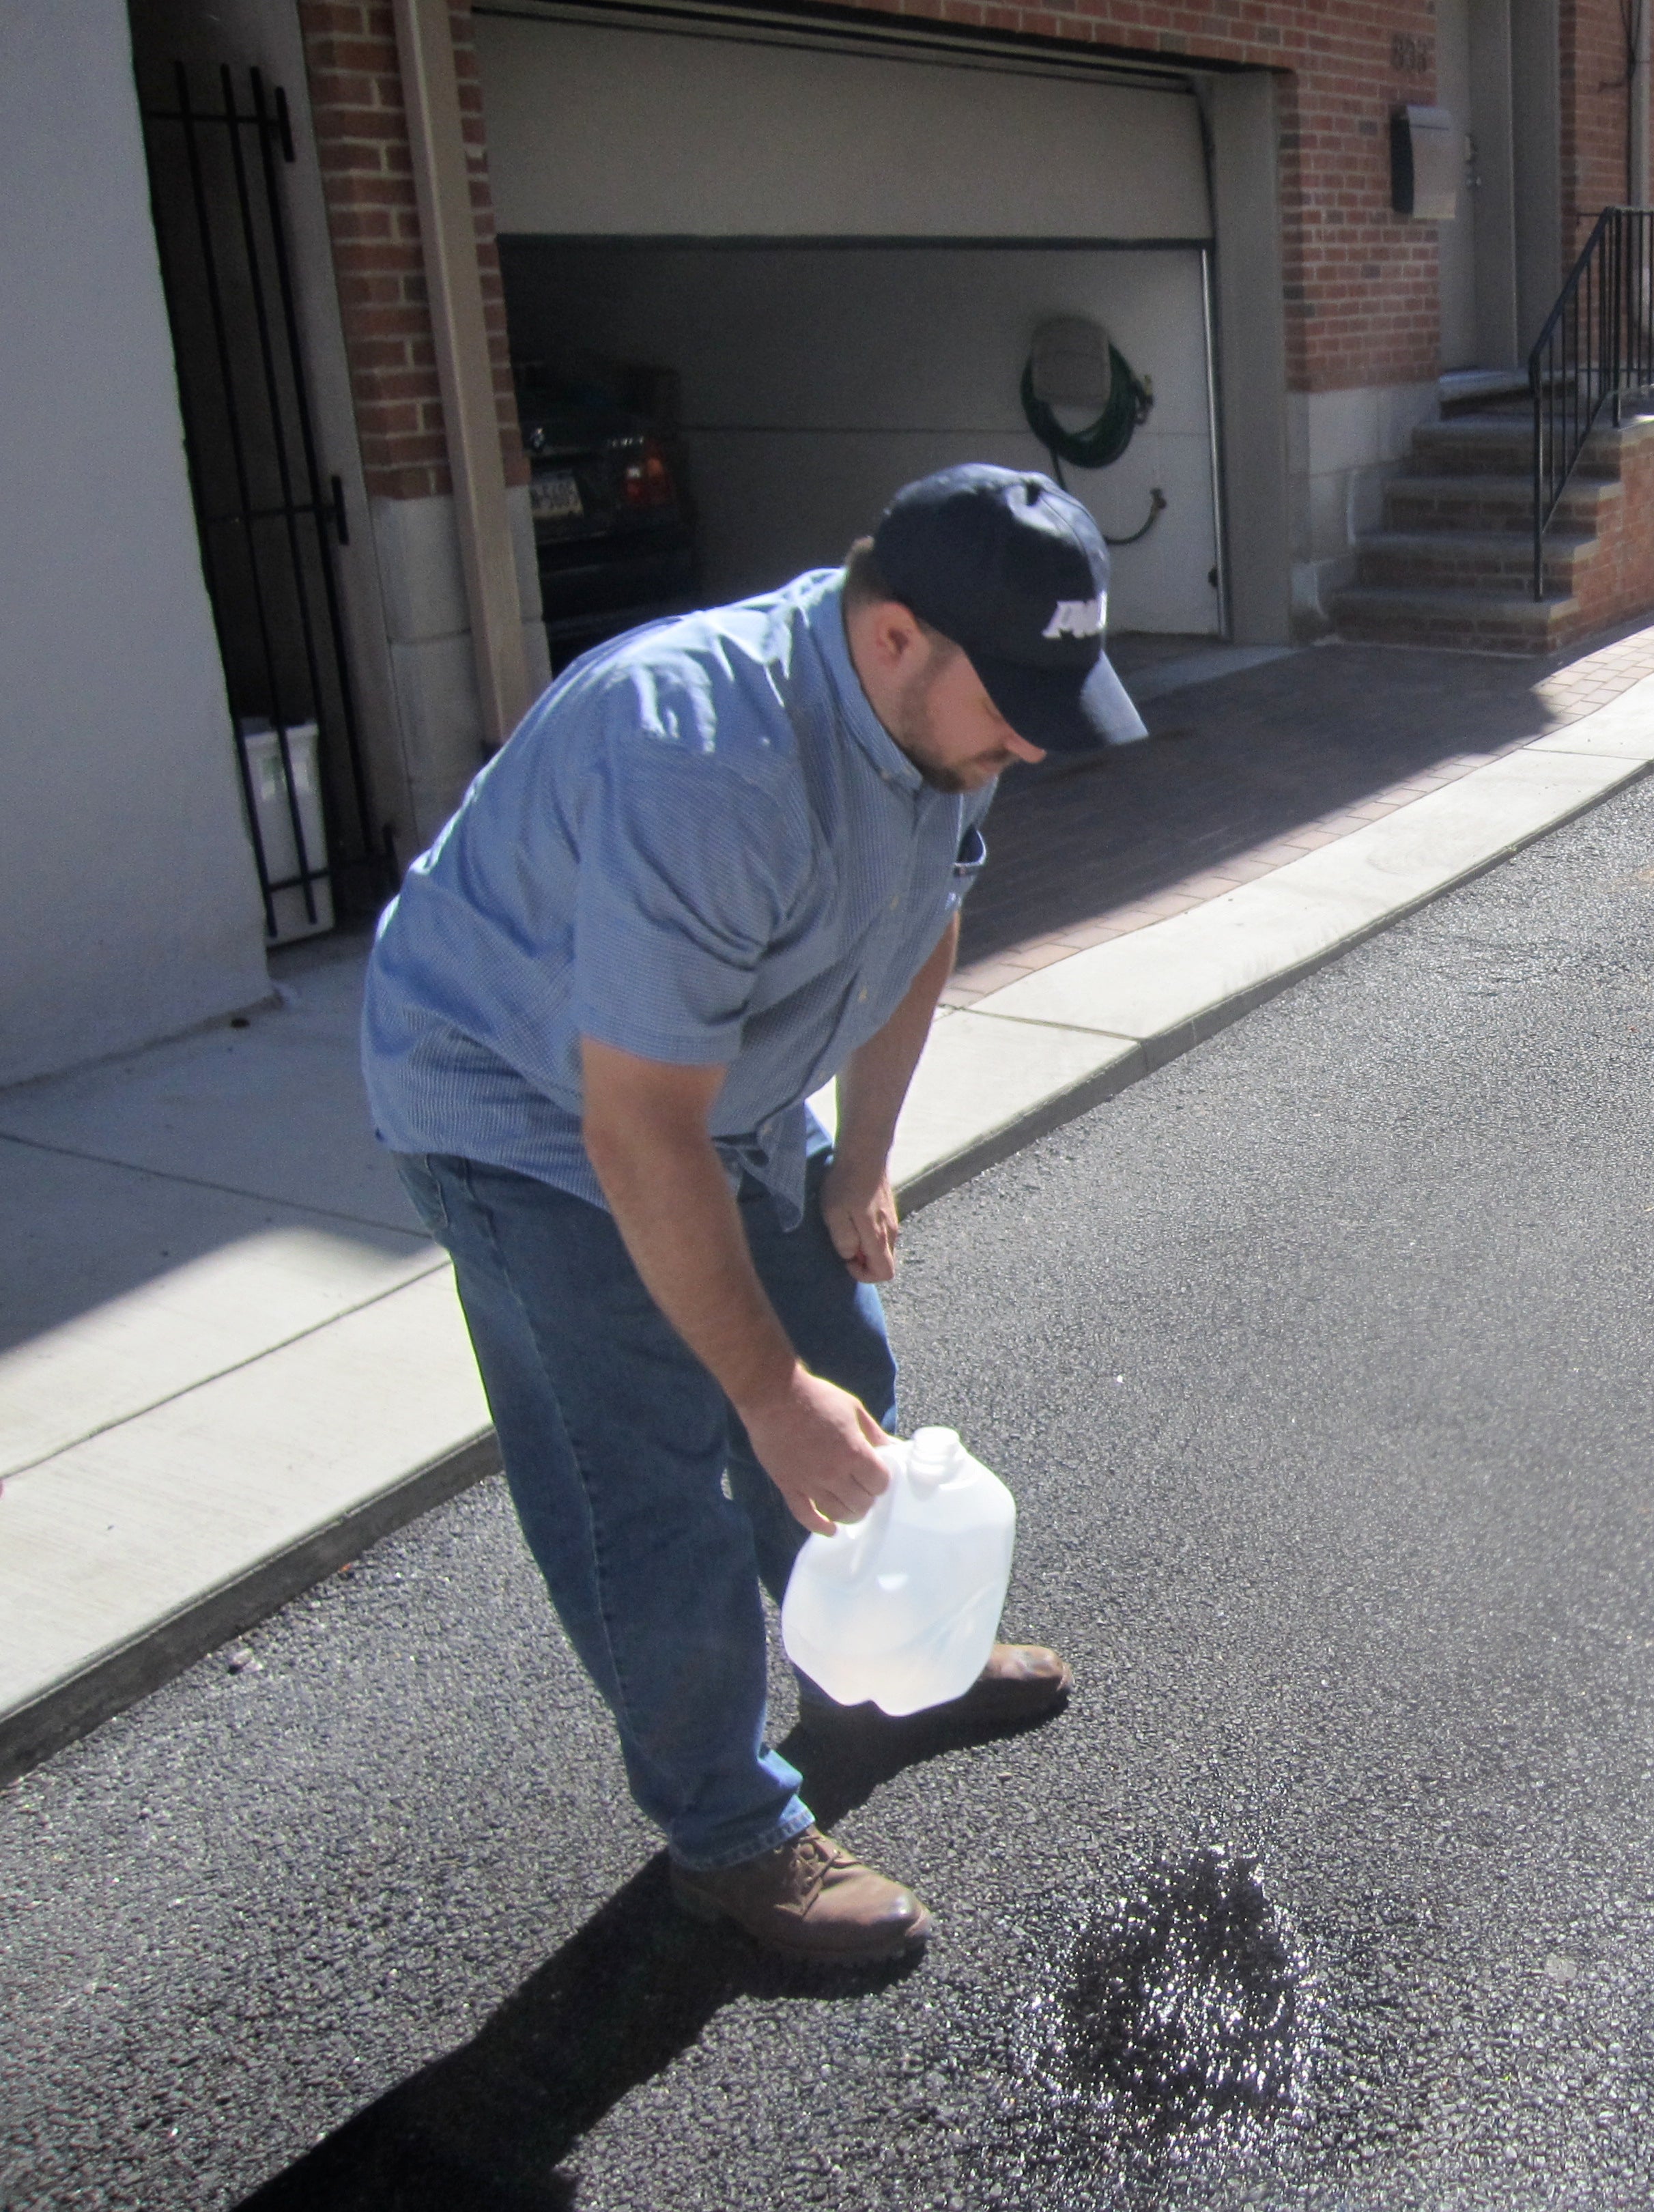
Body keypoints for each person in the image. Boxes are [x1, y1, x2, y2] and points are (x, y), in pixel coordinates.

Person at [361, 465, 1145, 1961]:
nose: (1033, 741)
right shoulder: (703, 761)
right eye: (1015, 699)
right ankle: (727, 1831)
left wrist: (860, 1158)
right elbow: (635, 1127)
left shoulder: (931, 737)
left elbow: (927, 920)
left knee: (839, 1361)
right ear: (896, 639)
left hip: (708, 1076)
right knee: (650, 1469)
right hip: (525, 1111)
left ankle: (874, 1661)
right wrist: (760, 1395)